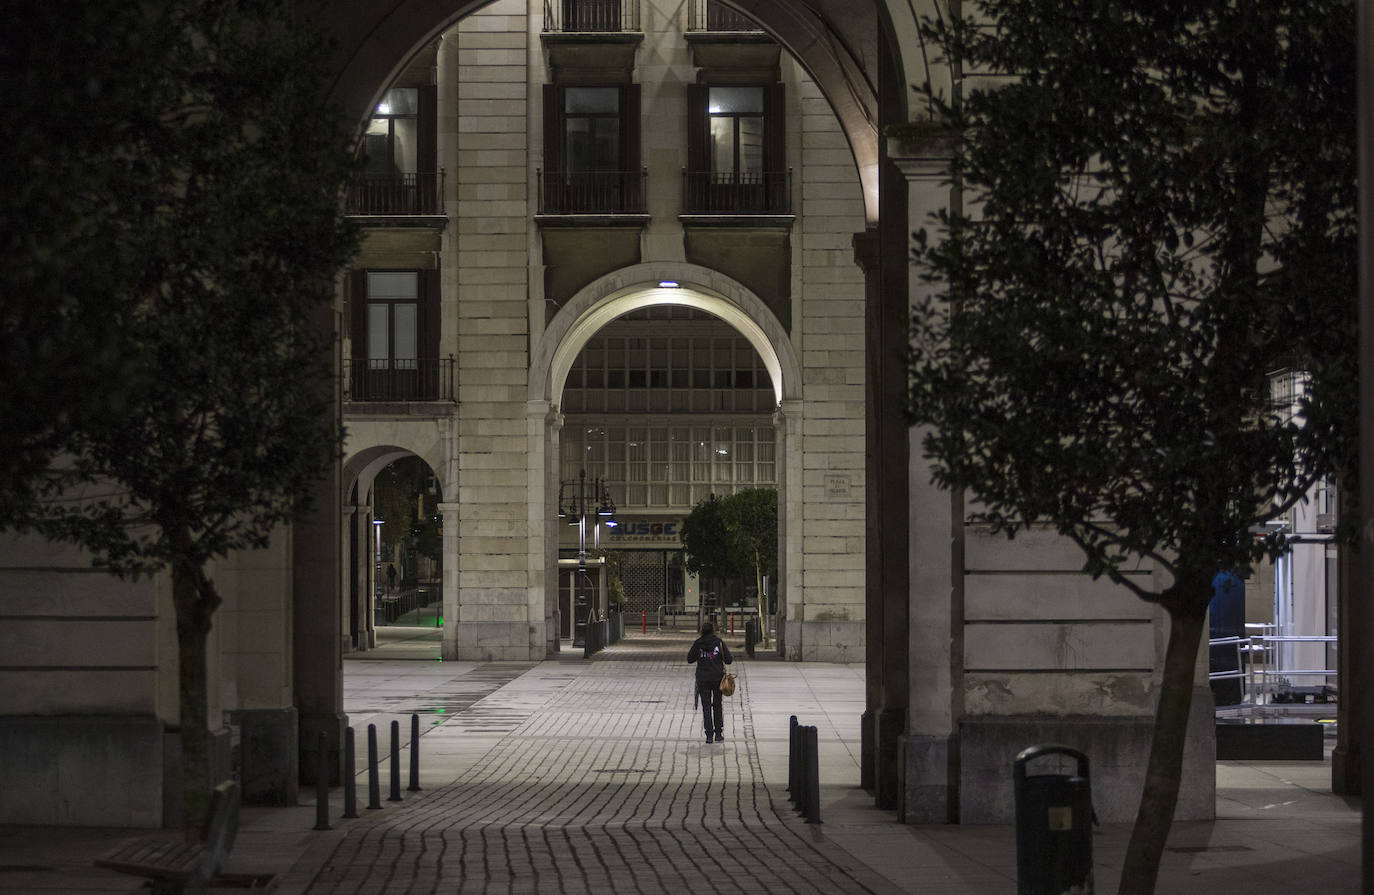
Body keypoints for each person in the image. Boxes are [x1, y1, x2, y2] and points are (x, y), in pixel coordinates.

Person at [688, 621, 733, 743]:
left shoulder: (698, 643)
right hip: (717, 678)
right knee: (717, 705)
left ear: (702, 631)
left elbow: (689, 659)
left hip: (703, 678)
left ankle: (709, 735)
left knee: (706, 706)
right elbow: (728, 659)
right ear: (713, 630)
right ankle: (718, 733)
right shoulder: (719, 642)